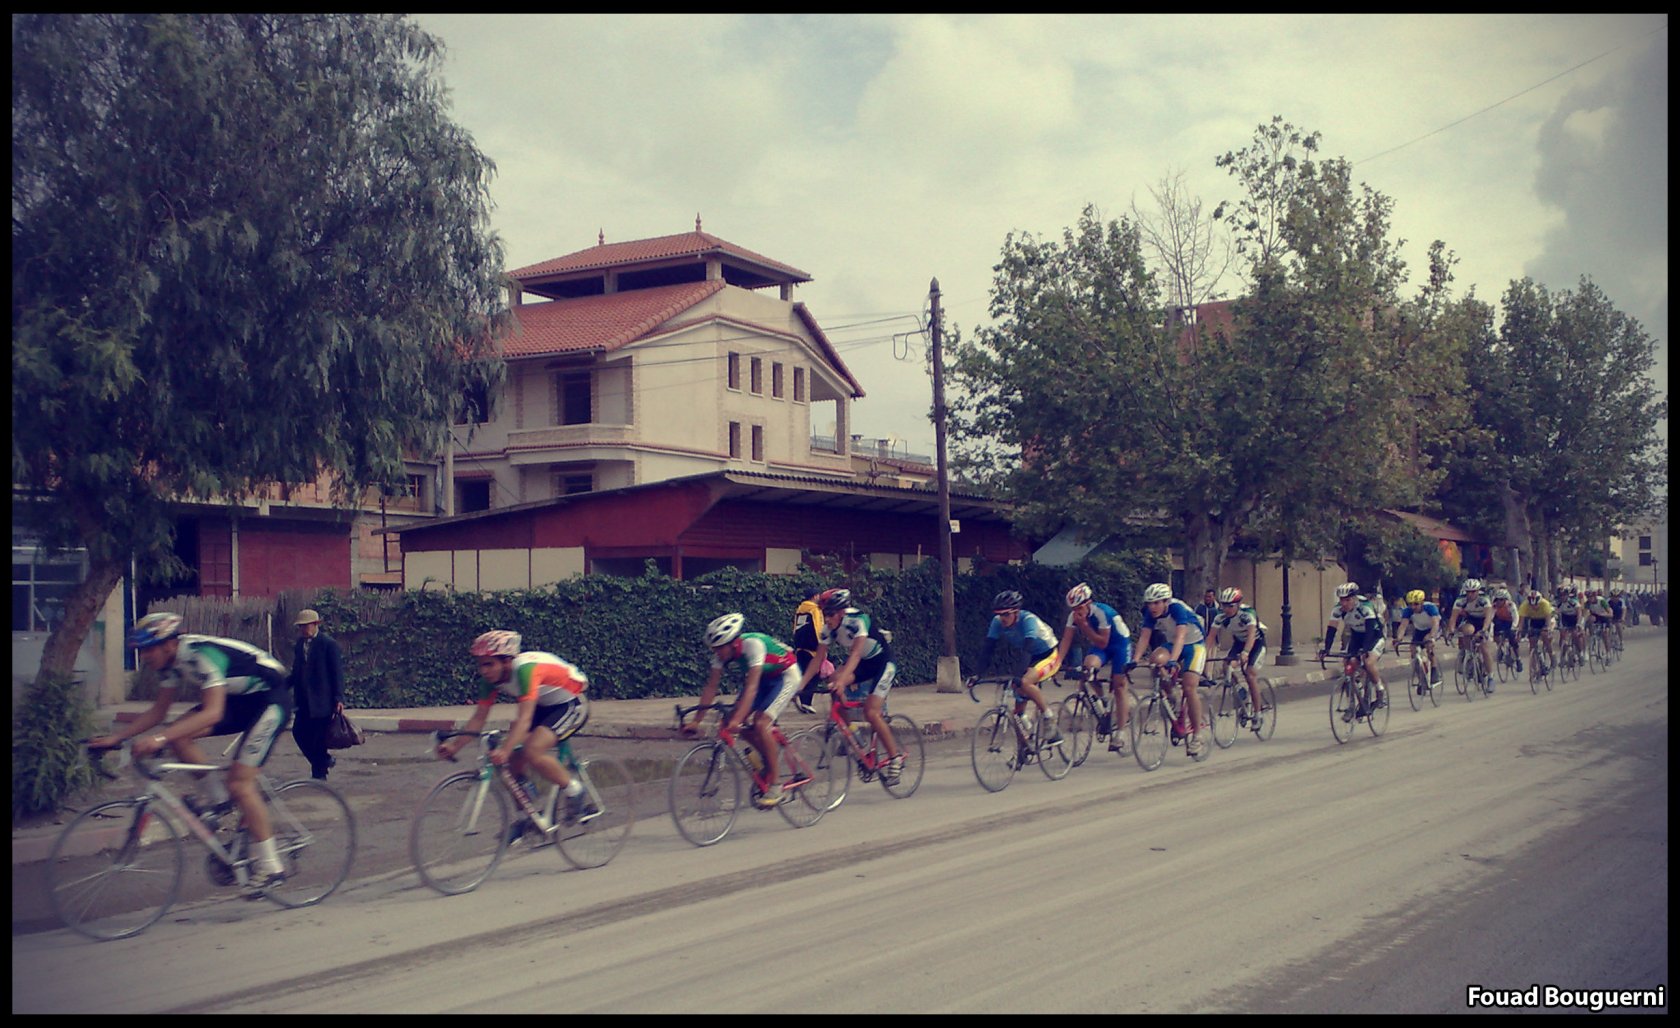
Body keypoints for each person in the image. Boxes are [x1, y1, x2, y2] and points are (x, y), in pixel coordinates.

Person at [90, 612, 294, 892]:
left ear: (169, 644)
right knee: (178, 735)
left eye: (148, 649)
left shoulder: (201, 655)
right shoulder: (168, 665)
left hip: (270, 700)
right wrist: (117, 737)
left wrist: (158, 738)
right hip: (239, 701)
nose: (144, 657)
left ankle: (272, 866)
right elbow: (159, 712)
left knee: (239, 781)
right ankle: (220, 801)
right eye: (142, 650)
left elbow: (213, 713)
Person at [435, 630, 597, 836]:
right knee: (510, 760)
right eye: (481, 664)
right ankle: (527, 815)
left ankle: (575, 789)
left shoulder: (526, 671)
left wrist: (504, 749)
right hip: (543, 704)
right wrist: (454, 746)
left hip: (571, 703)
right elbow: (479, 718)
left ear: (507, 661)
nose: (484, 671)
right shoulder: (490, 680)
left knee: (533, 750)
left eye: (489, 664)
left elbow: (524, 719)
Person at [681, 613, 801, 808]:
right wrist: (697, 720)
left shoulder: (753, 645)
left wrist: (738, 718)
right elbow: (711, 687)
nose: (716, 653)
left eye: (719, 648)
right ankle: (767, 759)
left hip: (786, 675)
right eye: (714, 649)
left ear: (732, 643)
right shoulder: (721, 655)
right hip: (764, 679)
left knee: (761, 723)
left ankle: (776, 785)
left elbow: (752, 687)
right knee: (730, 724)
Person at [820, 590, 905, 784]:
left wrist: (843, 682)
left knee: (871, 712)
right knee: (833, 681)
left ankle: (895, 758)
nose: (827, 619)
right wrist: (800, 686)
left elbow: (855, 654)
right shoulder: (828, 629)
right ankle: (853, 732)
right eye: (824, 614)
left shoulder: (858, 620)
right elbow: (818, 660)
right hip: (864, 664)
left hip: (883, 663)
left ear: (841, 612)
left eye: (830, 614)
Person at [965, 590, 1064, 742]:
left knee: (1025, 682)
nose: (1002, 618)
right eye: (999, 614)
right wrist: (977, 674)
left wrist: (1018, 677)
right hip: (1030, 657)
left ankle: (1049, 719)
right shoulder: (997, 622)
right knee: (1017, 713)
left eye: (1006, 614)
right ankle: (1024, 749)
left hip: (1048, 655)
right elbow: (988, 650)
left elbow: (1027, 649)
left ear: (1016, 612)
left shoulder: (1028, 620)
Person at [1132, 582, 1211, 758]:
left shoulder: (1177, 608)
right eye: (1149, 603)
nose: (1152, 607)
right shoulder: (1150, 614)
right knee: (1155, 660)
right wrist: (1135, 660)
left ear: (1166, 601)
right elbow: (1144, 637)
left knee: (1190, 688)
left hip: (1194, 645)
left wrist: (1174, 661)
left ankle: (1197, 735)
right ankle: (1172, 695)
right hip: (1172, 643)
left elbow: (1181, 636)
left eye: (1156, 603)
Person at [1059, 582, 1135, 754]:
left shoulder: (1102, 612)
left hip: (1119, 645)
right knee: (1088, 669)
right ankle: (1102, 701)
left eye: (1079, 607)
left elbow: (1103, 641)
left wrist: (1084, 625)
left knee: (1118, 685)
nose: (1076, 612)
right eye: (1073, 608)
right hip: (1101, 646)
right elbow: (1066, 641)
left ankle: (1120, 733)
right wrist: (1055, 665)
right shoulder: (1074, 616)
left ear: (1088, 603)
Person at [287, 608, 343, 781]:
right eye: (301, 627)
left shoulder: (328, 644)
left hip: (322, 700)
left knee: (318, 738)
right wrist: (282, 685)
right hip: (303, 700)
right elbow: (296, 671)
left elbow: (337, 672)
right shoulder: (299, 645)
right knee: (299, 733)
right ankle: (324, 761)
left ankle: (319, 774)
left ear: (315, 624)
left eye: (306, 626)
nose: (304, 630)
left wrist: (339, 698)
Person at [1319, 583, 1387, 710]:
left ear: (1355, 598)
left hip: (1374, 636)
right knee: (1348, 663)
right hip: (1356, 636)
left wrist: (1365, 649)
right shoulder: (1338, 609)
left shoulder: (1365, 606)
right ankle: (1352, 702)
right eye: (1341, 600)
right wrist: (1326, 648)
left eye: (1347, 600)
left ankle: (1379, 690)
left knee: (1368, 662)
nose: (1344, 603)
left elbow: (1370, 630)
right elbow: (1331, 629)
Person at [1210, 586, 1268, 716]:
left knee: (1250, 674)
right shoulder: (1220, 617)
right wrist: (1202, 656)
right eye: (1224, 606)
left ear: (1238, 604)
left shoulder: (1248, 614)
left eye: (1230, 606)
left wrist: (1246, 652)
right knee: (1226, 666)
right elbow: (1210, 637)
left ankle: (1258, 713)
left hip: (1256, 643)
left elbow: (1252, 635)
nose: (1227, 609)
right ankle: (1239, 690)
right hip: (1239, 643)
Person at [1446, 578, 1497, 694]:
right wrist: (1451, 630)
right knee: (1468, 631)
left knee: (1484, 648)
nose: (1470, 594)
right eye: (1468, 591)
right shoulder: (1460, 600)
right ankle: (1469, 655)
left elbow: (1488, 616)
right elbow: (1453, 618)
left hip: (1484, 621)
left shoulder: (1484, 599)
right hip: (1471, 620)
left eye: (1473, 591)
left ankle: (1490, 677)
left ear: (1478, 591)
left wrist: (1484, 630)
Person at [790, 587, 834, 716]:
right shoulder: (815, 609)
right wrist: (822, 645)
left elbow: (795, 628)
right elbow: (818, 627)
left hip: (800, 647)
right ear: (815, 596)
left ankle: (800, 697)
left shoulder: (800, 610)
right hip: (813, 648)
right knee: (814, 675)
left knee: (804, 673)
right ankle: (806, 702)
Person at [1400, 588, 1444, 689]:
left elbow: (1435, 623)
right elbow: (1403, 626)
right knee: (1413, 649)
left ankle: (1434, 670)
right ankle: (1421, 678)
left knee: (1428, 644)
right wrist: (1398, 639)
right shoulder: (1408, 611)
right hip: (1419, 630)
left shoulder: (1430, 608)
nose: (1413, 607)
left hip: (1432, 629)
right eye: (1410, 604)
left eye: (1416, 604)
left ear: (1422, 602)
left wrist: (1432, 636)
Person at [1516, 588, 1555, 674]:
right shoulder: (1524, 605)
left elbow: (1548, 619)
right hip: (1534, 621)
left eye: (1536, 605)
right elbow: (1521, 622)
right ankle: (1534, 669)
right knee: (1532, 644)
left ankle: (1552, 656)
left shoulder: (1545, 604)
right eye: (1532, 606)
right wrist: (1519, 631)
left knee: (1545, 636)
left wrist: (1548, 628)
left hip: (1545, 620)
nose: (1534, 607)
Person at [1490, 588, 1521, 672]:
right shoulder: (1494, 606)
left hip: (1510, 622)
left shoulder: (1510, 605)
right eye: (1497, 599)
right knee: (1496, 633)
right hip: (1500, 621)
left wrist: (1514, 627)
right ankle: (1501, 649)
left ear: (1505, 600)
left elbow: (1516, 617)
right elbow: (1490, 617)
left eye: (1501, 600)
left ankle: (1518, 659)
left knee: (1512, 640)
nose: (1499, 602)